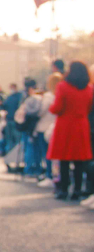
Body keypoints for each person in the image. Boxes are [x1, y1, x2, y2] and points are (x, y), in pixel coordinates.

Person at [47, 61, 93, 200]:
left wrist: (52, 107)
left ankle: (64, 189)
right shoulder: (89, 88)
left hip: (65, 126)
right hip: (81, 125)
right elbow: (89, 107)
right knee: (79, 160)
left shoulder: (63, 86)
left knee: (64, 160)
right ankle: (78, 190)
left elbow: (57, 108)